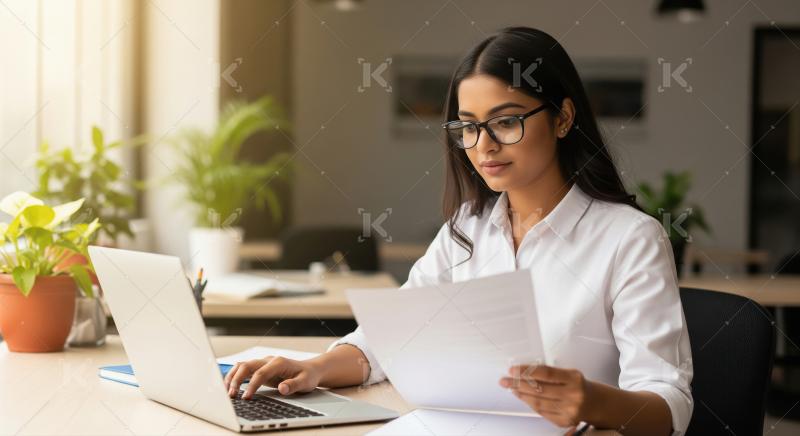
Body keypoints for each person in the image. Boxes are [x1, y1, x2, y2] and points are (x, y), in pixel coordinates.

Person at [223, 27, 693, 436]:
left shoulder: (631, 239)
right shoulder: (466, 230)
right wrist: (312, 369)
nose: (483, 146)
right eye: (468, 127)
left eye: (506, 122)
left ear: (563, 117)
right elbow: (389, 341)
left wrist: (591, 401)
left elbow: (668, 406)